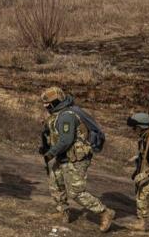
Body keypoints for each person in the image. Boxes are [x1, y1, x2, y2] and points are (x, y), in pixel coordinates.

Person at [39, 86, 115, 232]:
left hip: (76, 159)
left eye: (47, 104)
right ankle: (63, 212)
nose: (45, 107)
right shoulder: (57, 114)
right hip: (63, 156)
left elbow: (66, 140)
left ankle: (104, 212)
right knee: (56, 183)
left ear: (55, 102)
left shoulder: (67, 115)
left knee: (76, 192)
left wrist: (50, 153)